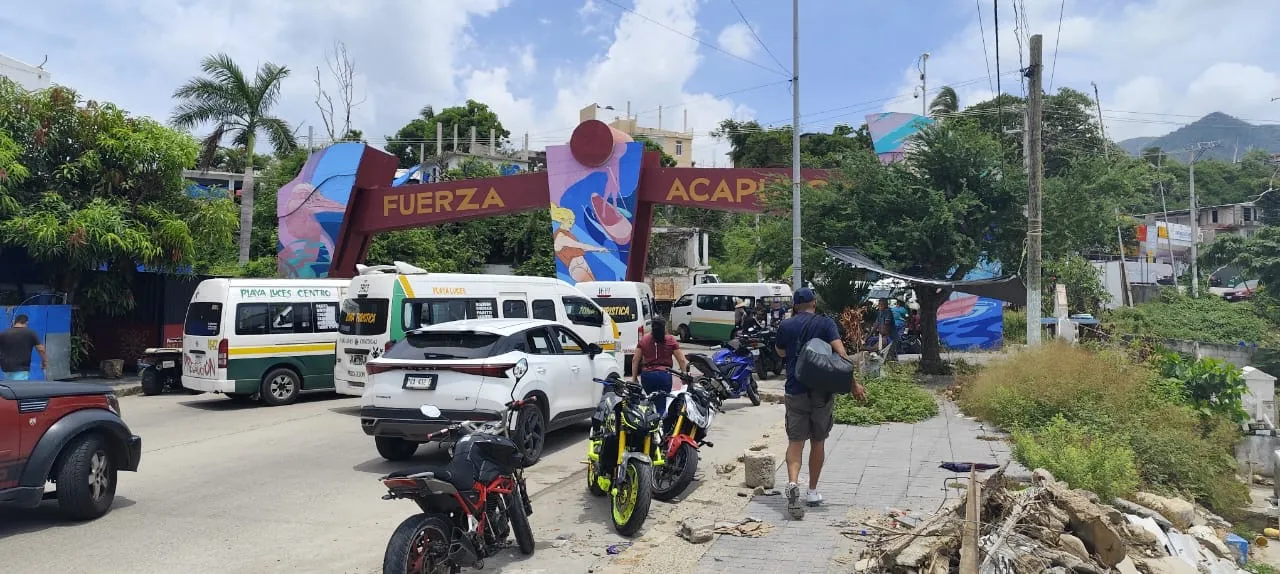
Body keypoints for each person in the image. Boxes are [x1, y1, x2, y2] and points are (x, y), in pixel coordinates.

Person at [774, 288, 866, 518]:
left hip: (795, 389)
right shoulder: (825, 323)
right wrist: (854, 385)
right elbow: (842, 355)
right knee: (818, 440)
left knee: (796, 441)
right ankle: (812, 491)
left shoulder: (786, 326)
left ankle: (793, 484)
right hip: (822, 392)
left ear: (795, 306)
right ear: (814, 303)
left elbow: (781, 353)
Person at [631, 317, 688, 416]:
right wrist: (684, 376)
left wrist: (634, 378)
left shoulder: (644, 339)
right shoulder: (670, 340)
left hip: (647, 376)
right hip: (664, 376)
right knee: (662, 404)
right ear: (664, 327)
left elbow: (635, 359)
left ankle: (650, 422)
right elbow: (682, 360)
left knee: (651, 401)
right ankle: (661, 426)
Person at [0, 314, 48, 381]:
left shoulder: (4, 333)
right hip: (21, 368)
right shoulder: (30, 333)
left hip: (6, 368)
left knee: (10, 387)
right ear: (26, 322)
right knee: (19, 388)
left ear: (15, 322)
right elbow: (40, 349)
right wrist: (44, 361)